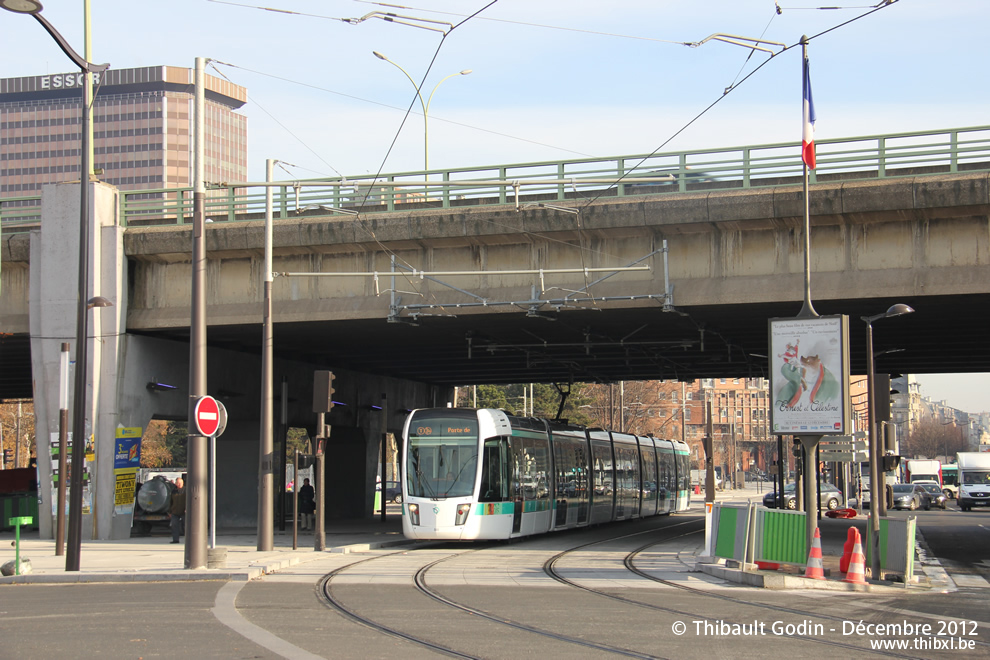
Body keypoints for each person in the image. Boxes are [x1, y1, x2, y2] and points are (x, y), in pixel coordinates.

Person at [169, 475, 186, 544]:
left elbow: (189, 501)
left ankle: (188, 540)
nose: (179, 484)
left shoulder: (186, 490)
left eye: (180, 483)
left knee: (186, 526)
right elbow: (170, 501)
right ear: (175, 484)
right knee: (174, 525)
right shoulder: (173, 491)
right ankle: (175, 540)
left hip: (184, 512)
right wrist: (169, 511)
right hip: (175, 511)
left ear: (183, 483)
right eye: (178, 483)